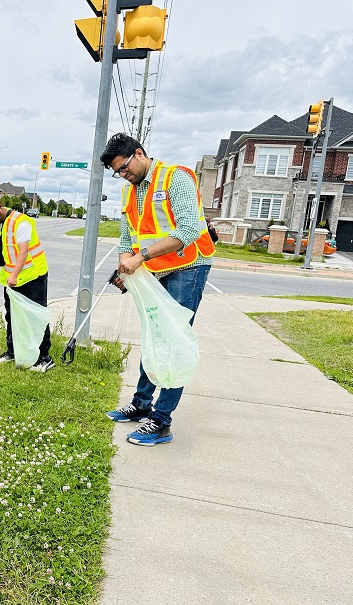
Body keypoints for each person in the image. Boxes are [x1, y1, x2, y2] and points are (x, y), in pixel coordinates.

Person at [101, 133, 215, 446]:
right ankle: (141, 404)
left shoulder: (175, 178)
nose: (123, 175)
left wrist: (140, 258)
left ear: (139, 153)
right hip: (154, 270)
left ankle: (161, 422)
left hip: (188, 266)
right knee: (155, 335)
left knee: (173, 340)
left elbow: (189, 230)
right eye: (118, 173)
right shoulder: (129, 192)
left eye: (124, 167)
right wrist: (126, 266)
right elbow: (127, 239)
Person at [0, 194, 54, 372]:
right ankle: (12, 352)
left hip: (33, 275)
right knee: (11, 315)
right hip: (13, 278)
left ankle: (44, 357)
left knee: (36, 315)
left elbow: (23, 252)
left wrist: (14, 275)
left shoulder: (21, 222)